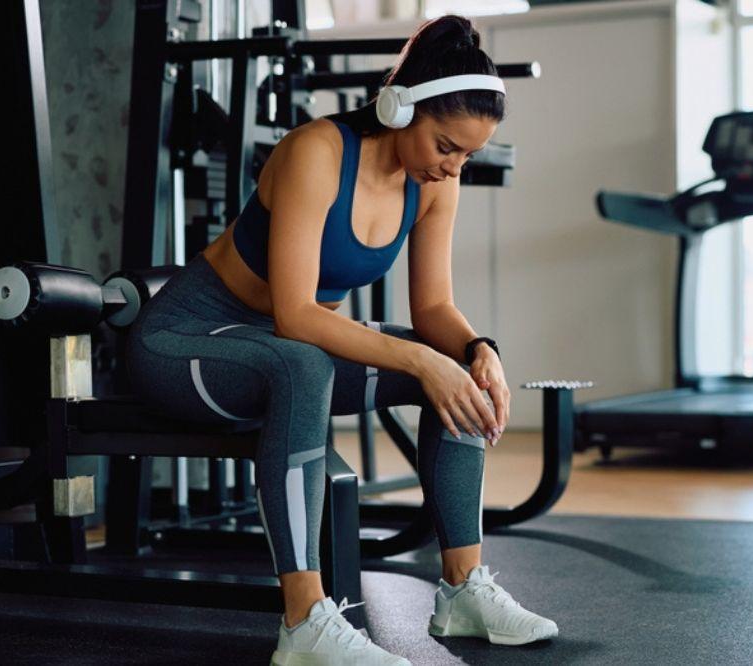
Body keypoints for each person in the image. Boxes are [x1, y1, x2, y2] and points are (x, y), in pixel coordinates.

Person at [125, 15, 556, 665]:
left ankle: (464, 590)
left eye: (466, 153)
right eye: (446, 145)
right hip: (184, 343)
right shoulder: (316, 151)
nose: (453, 166)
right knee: (307, 363)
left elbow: (434, 304)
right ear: (398, 106)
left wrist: (475, 351)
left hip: (279, 348)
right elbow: (297, 314)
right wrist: (420, 359)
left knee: (450, 368)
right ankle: (304, 626)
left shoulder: (433, 183)